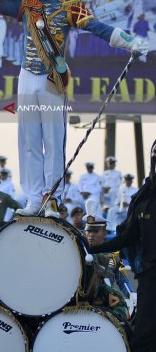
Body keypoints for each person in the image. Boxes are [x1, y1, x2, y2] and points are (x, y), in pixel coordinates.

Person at [0, 0, 148, 217]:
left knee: (53, 140)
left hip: (52, 79)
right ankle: (33, 197)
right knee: (28, 139)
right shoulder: (26, 5)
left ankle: (52, 197)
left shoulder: (71, 8)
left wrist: (130, 42)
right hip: (26, 77)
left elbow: (99, 28)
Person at [88, 140, 156, 351]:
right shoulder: (143, 199)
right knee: (144, 336)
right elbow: (126, 238)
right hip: (150, 277)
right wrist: (93, 249)